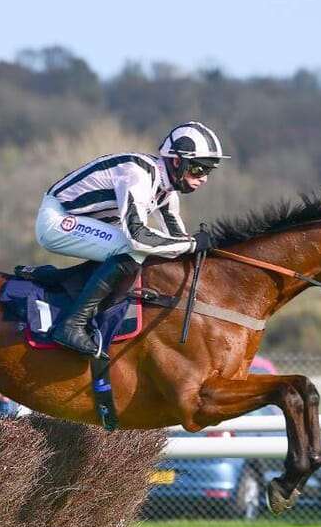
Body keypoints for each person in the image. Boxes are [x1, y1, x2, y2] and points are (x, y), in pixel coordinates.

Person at [35, 121, 230, 357]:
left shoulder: (166, 193)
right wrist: (192, 244)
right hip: (57, 219)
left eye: (208, 171)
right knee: (134, 249)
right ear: (177, 162)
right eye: (198, 169)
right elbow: (138, 237)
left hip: (83, 221)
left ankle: (56, 278)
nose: (204, 178)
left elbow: (178, 243)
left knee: (149, 249)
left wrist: (209, 250)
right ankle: (72, 325)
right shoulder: (138, 175)